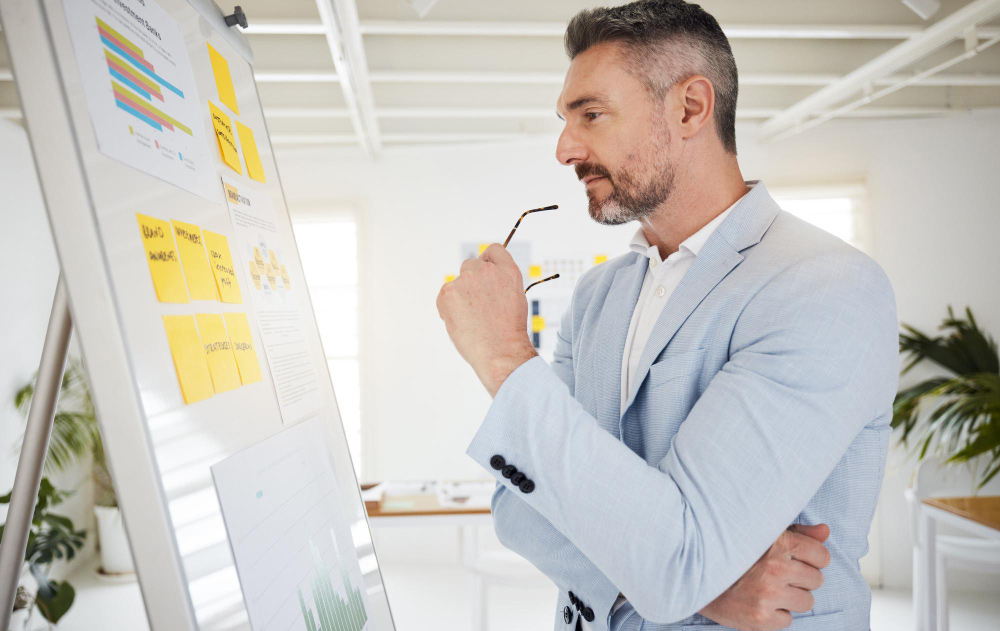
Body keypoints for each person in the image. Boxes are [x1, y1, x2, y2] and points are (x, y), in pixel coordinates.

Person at [436, 1, 899, 629]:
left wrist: (503, 357)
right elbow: (518, 510)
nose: (565, 148)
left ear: (689, 108)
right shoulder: (597, 297)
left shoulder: (824, 288)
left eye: (591, 115)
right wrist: (698, 587)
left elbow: (678, 560)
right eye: (565, 121)